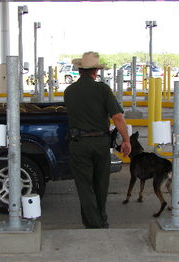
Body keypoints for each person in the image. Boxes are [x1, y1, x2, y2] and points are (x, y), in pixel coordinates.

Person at [64, 52, 131, 229]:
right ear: (95, 72)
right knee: (101, 183)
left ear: (79, 71)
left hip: (78, 143)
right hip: (101, 143)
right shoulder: (102, 89)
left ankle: (93, 223)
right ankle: (102, 219)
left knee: (84, 186)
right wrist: (126, 140)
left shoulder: (69, 91)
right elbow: (117, 117)